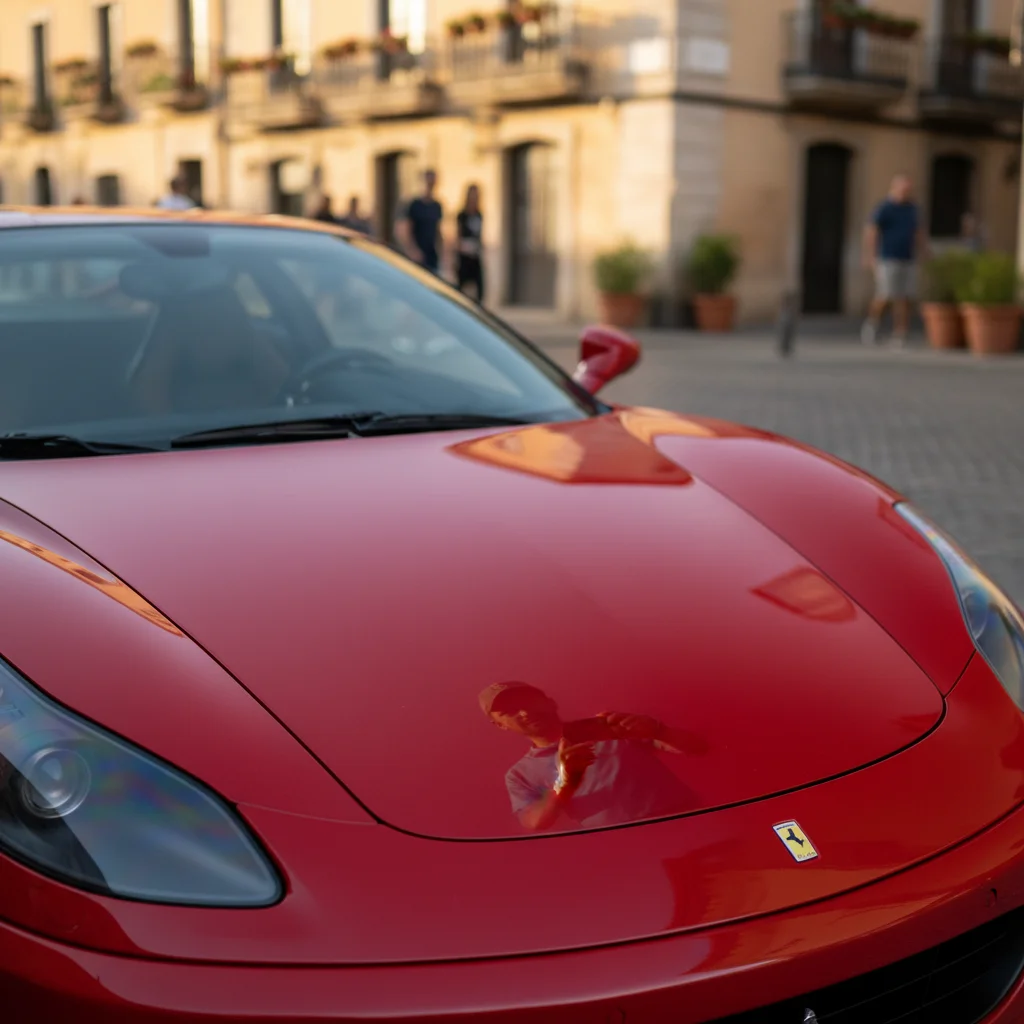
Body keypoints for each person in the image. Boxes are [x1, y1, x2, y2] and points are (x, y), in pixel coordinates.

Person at [479, 681, 697, 833]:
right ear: (499, 725)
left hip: (687, 821)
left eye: (528, 701)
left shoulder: (610, 727)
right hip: (623, 848)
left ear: (551, 702)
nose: (525, 713)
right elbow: (534, 822)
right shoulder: (520, 774)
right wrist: (565, 784)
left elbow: (698, 748)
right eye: (510, 711)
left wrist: (658, 730)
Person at [861, 174, 928, 347]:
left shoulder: (912, 208)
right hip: (887, 257)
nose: (906, 192)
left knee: (905, 297)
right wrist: (871, 256)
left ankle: (900, 333)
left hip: (907, 257)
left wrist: (924, 251)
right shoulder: (884, 208)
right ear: (894, 188)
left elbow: (918, 231)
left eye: (908, 190)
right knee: (885, 295)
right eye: (903, 189)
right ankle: (872, 324)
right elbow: (872, 231)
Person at [396, 168, 444, 274]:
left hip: (432, 254)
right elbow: (406, 230)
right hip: (418, 254)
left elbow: (438, 231)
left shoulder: (437, 206)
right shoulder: (415, 205)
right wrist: (413, 250)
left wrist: (442, 253)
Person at [455, 183, 485, 302]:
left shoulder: (479, 214)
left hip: (476, 256)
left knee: (480, 289)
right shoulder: (462, 215)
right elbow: (457, 236)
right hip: (464, 257)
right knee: (461, 288)